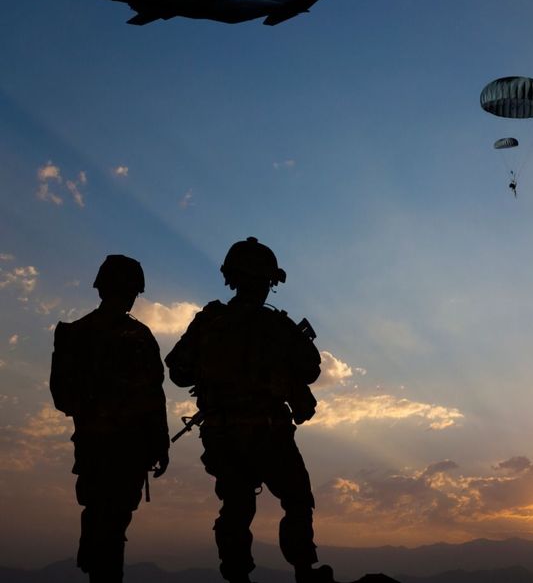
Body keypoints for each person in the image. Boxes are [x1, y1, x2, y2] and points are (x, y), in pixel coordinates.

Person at [166, 237, 332, 583]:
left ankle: (237, 577)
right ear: (269, 281)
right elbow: (312, 370)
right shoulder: (277, 326)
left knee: (236, 509)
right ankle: (304, 571)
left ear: (232, 278)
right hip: (269, 432)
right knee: (297, 500)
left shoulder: (209, 322)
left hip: (222, 434)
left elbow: (179, 372)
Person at [50, 255, 170, 583]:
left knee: (105, 518)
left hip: (100, 445)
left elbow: (63, 397)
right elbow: (153, 396)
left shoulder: (76, 334)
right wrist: (158, 442)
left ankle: (96, 562)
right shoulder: (137, 336)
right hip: (118, 447)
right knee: (112, 522)